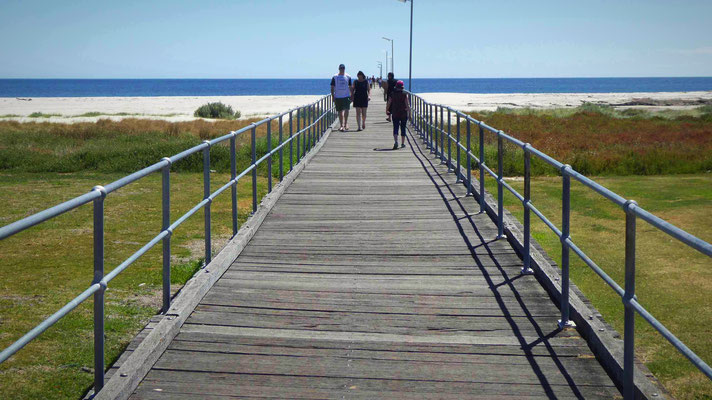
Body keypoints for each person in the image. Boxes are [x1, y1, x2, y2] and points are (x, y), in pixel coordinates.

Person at [386, 80, 410, 150]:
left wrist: (387, 110)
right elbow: (407, 104)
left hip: (395, 112)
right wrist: (410, 113)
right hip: (403, 113)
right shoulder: (404, 94)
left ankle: (396, 141)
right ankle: (402, 143)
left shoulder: (392, 93)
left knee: (395, 127)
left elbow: (389, 103)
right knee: (403, 128)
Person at [330, 64, 352, 131]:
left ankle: (345, 123)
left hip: (346, 96)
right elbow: (332, 87)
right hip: (338, 96)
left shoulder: (348, 76)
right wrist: (333, 96)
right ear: (339, 69)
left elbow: (350, 87)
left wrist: (352, 95)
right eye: (341, 68)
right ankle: (341, 125)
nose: (342, 69)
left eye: (343, 68)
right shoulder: (335, 77)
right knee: (339, 111)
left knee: (346, 110)